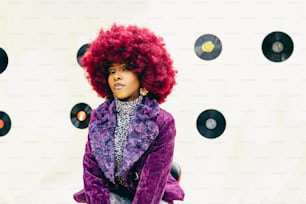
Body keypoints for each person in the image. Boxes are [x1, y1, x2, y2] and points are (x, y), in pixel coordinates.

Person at [73, 24, 185, 204]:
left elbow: (151, 186)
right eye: (111, 71)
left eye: (125, 69)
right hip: (113, 195)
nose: (116, 76)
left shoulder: (162, 122)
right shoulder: (98, 117)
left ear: (144, 73)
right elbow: (92, 174)